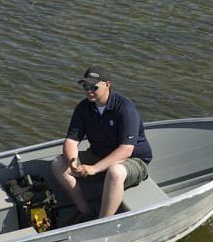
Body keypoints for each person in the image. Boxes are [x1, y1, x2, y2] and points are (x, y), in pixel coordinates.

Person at [51, 66, 152, 223]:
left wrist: (94, 169)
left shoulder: (125, 108)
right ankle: (85, 211)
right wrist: (72, 161)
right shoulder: (83, 108)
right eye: (86, 86)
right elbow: (71, 140)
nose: (89, 91)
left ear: (107, 84)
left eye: (93, 86)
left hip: (133, 160)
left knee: (115, 171)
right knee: (58, 163)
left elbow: (126, 150)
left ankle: (102, 222)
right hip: (99, 155)